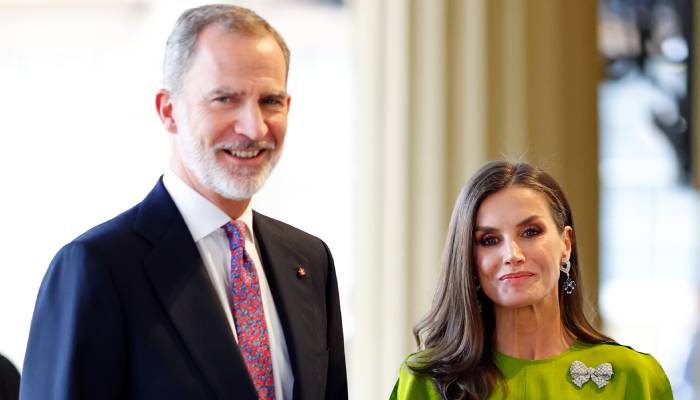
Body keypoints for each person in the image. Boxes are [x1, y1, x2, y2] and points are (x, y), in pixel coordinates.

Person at [21, 4, 347, 400]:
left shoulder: (309, 261)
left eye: (270, 101)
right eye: (225, 99)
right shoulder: (97, 268)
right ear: (169, 111)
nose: (253, 127)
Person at [390, 161, 672, 399]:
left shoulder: (635, 378)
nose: (511, 254)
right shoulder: (426, 384)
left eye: (530, 232)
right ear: (470, 260)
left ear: (566, 244)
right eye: (489, 240)